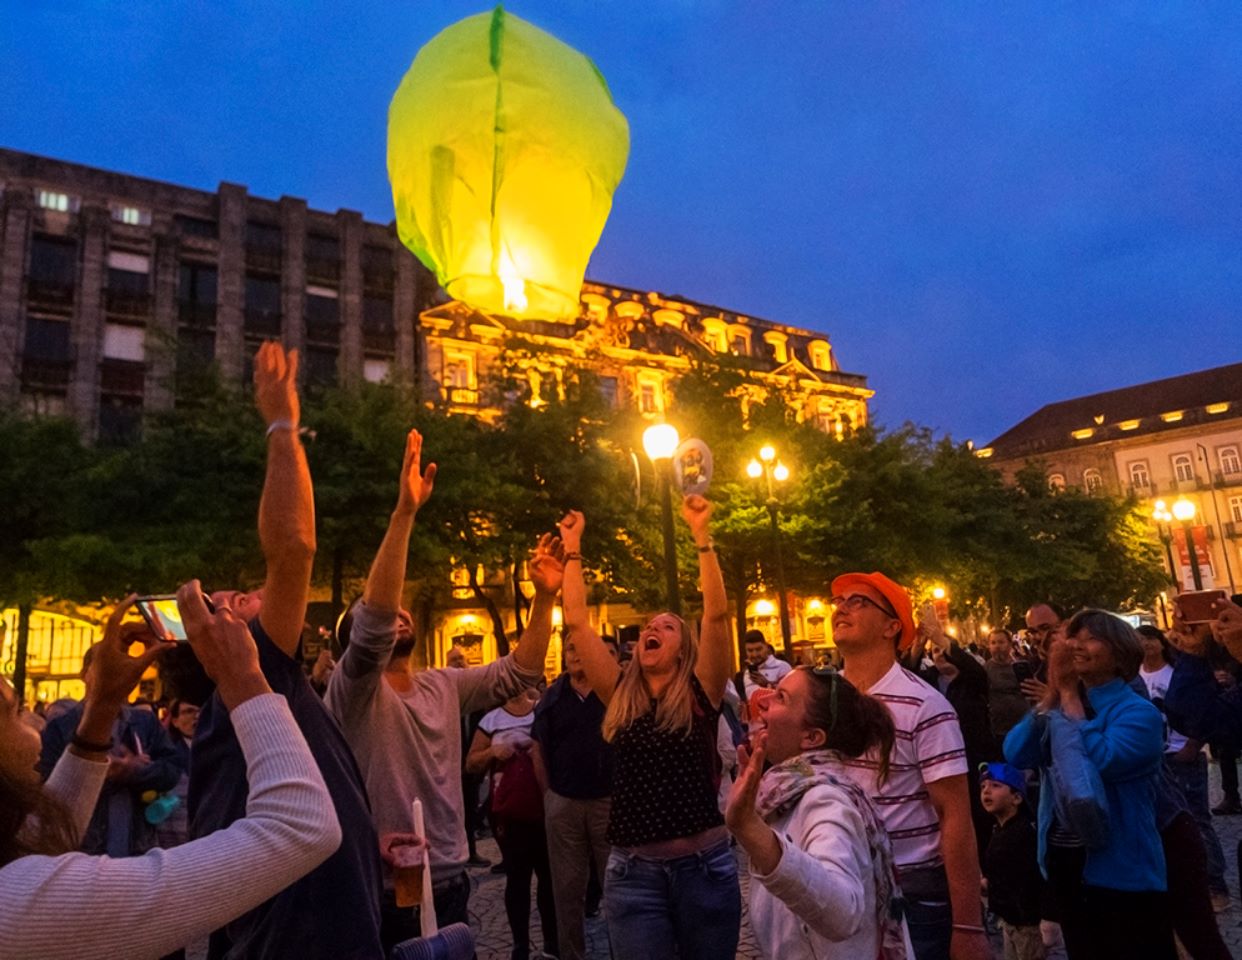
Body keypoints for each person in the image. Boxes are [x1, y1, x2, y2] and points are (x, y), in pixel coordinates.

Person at [0, 586, 341, 960]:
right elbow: (301, 827)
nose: (34, 733)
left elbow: (46, 835)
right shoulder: (17, 907)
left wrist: (101, 706)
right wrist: (241, 674)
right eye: (14, 715)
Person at [325, 428, 562, 952]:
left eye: (402, 613)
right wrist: (404, 514)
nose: (398, 616)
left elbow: (519, 673)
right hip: (380, 881)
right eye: (387, 617)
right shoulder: (353, 690)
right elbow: (373, 625)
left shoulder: (443, 685)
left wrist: (544, 599)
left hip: (451, 877)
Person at [188, 341, 384, 960]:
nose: (245, 594)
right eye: (236, 601)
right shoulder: (258, 684)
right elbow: (294, 546)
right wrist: (282, 423)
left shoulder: (239, 721)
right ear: (220, 650)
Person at [558, 500, 741, 960]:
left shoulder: (703, 692)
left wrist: (702, 537)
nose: (651, 630)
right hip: (633, 878)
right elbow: (577, 622)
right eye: (648, 628)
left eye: (667, 627)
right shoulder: (619, 692)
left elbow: (717, 617)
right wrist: (573, 549)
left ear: (684, 650)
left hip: (704, 870)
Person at [829, 572, 987, 960]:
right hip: (834, 881)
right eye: (840, 600)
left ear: (892, 627)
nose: (841, 608)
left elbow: (955, 815)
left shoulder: (926, 706)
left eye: (858, 601)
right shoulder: (821, 702)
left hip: (911, 893)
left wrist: (967, 926)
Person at [1004, 610, 1173, 959]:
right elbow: (1016, 753)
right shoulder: (1065, 702)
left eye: (1090, 638)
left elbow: (1100, 762)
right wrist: (1053, 696)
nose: (1076, 646)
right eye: (1073, 638)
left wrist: (1068, 696)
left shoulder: (1139, 713)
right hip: (1067, 866)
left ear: (1120, 653)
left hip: (1123, 871)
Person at [724, 665, 911, 959]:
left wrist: (749, 828)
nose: (763, 701)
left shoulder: (826, 801)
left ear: (812, 738)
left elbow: (841, 912)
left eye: (781, 697)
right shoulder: (787, 794)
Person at [39, 640, 183, 857]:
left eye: (124, 667)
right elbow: (47, 785)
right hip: (84, 849)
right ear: (85, 673)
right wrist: (91, 770)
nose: (116, 674)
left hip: (137, 846)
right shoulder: (62, 727)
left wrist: (137, 771)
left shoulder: (144, 723)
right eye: (106, 667)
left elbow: (172, 771)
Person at [530, 638, 615, 960]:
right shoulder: (552, 697)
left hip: (608, 803)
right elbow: (538, 747)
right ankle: (571, 955)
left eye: (583, 648)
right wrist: (549, 796)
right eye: (570, 648)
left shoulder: (612, 694)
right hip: (564, 803)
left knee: (616, 887)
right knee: (567, 891)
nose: (577, 654)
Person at [1136, 624, 1229, 909]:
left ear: (1161, 643)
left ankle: (1216, 883)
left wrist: (1192, 744)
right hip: (1155, 758)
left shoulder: (1177, 671)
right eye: (1140, 641)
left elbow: (1199, 707)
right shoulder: (1134, 675)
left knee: (1197, 819)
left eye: (1150, 640)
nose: (1146, 646)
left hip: (1183, 752)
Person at [468, 686, 558, 960]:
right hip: (510, 812)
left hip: (545, 803)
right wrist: (493, 752)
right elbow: (470, 763)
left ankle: (552, 944)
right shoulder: (491, 720)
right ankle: (520, 945)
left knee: (548, 878)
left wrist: (539, 749)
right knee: (517, 879)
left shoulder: (543, 709)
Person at [978, 763, 1044, 960]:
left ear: (1016, 798)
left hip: (1027, 923)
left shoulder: (1025, 833)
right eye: (983, 787)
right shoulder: (999, 830)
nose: (986, 791)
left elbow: (1029, 878)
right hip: (1009, 920)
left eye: (996, 786)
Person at [985, 629, 1031, 743]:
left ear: (1009, 644)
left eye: (1001, 642)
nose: (997, 646)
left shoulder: (1020, 666)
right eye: (993, 643)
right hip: (999, 729)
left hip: (1023, 725)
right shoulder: (985, 669)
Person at [734, 630, 792, 705]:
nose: (754, 654)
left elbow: (791, 697)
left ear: (767, 647)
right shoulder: (747, 673)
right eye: (750, 650)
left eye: (758, 649)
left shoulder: (782, 667)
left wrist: (767, 685)